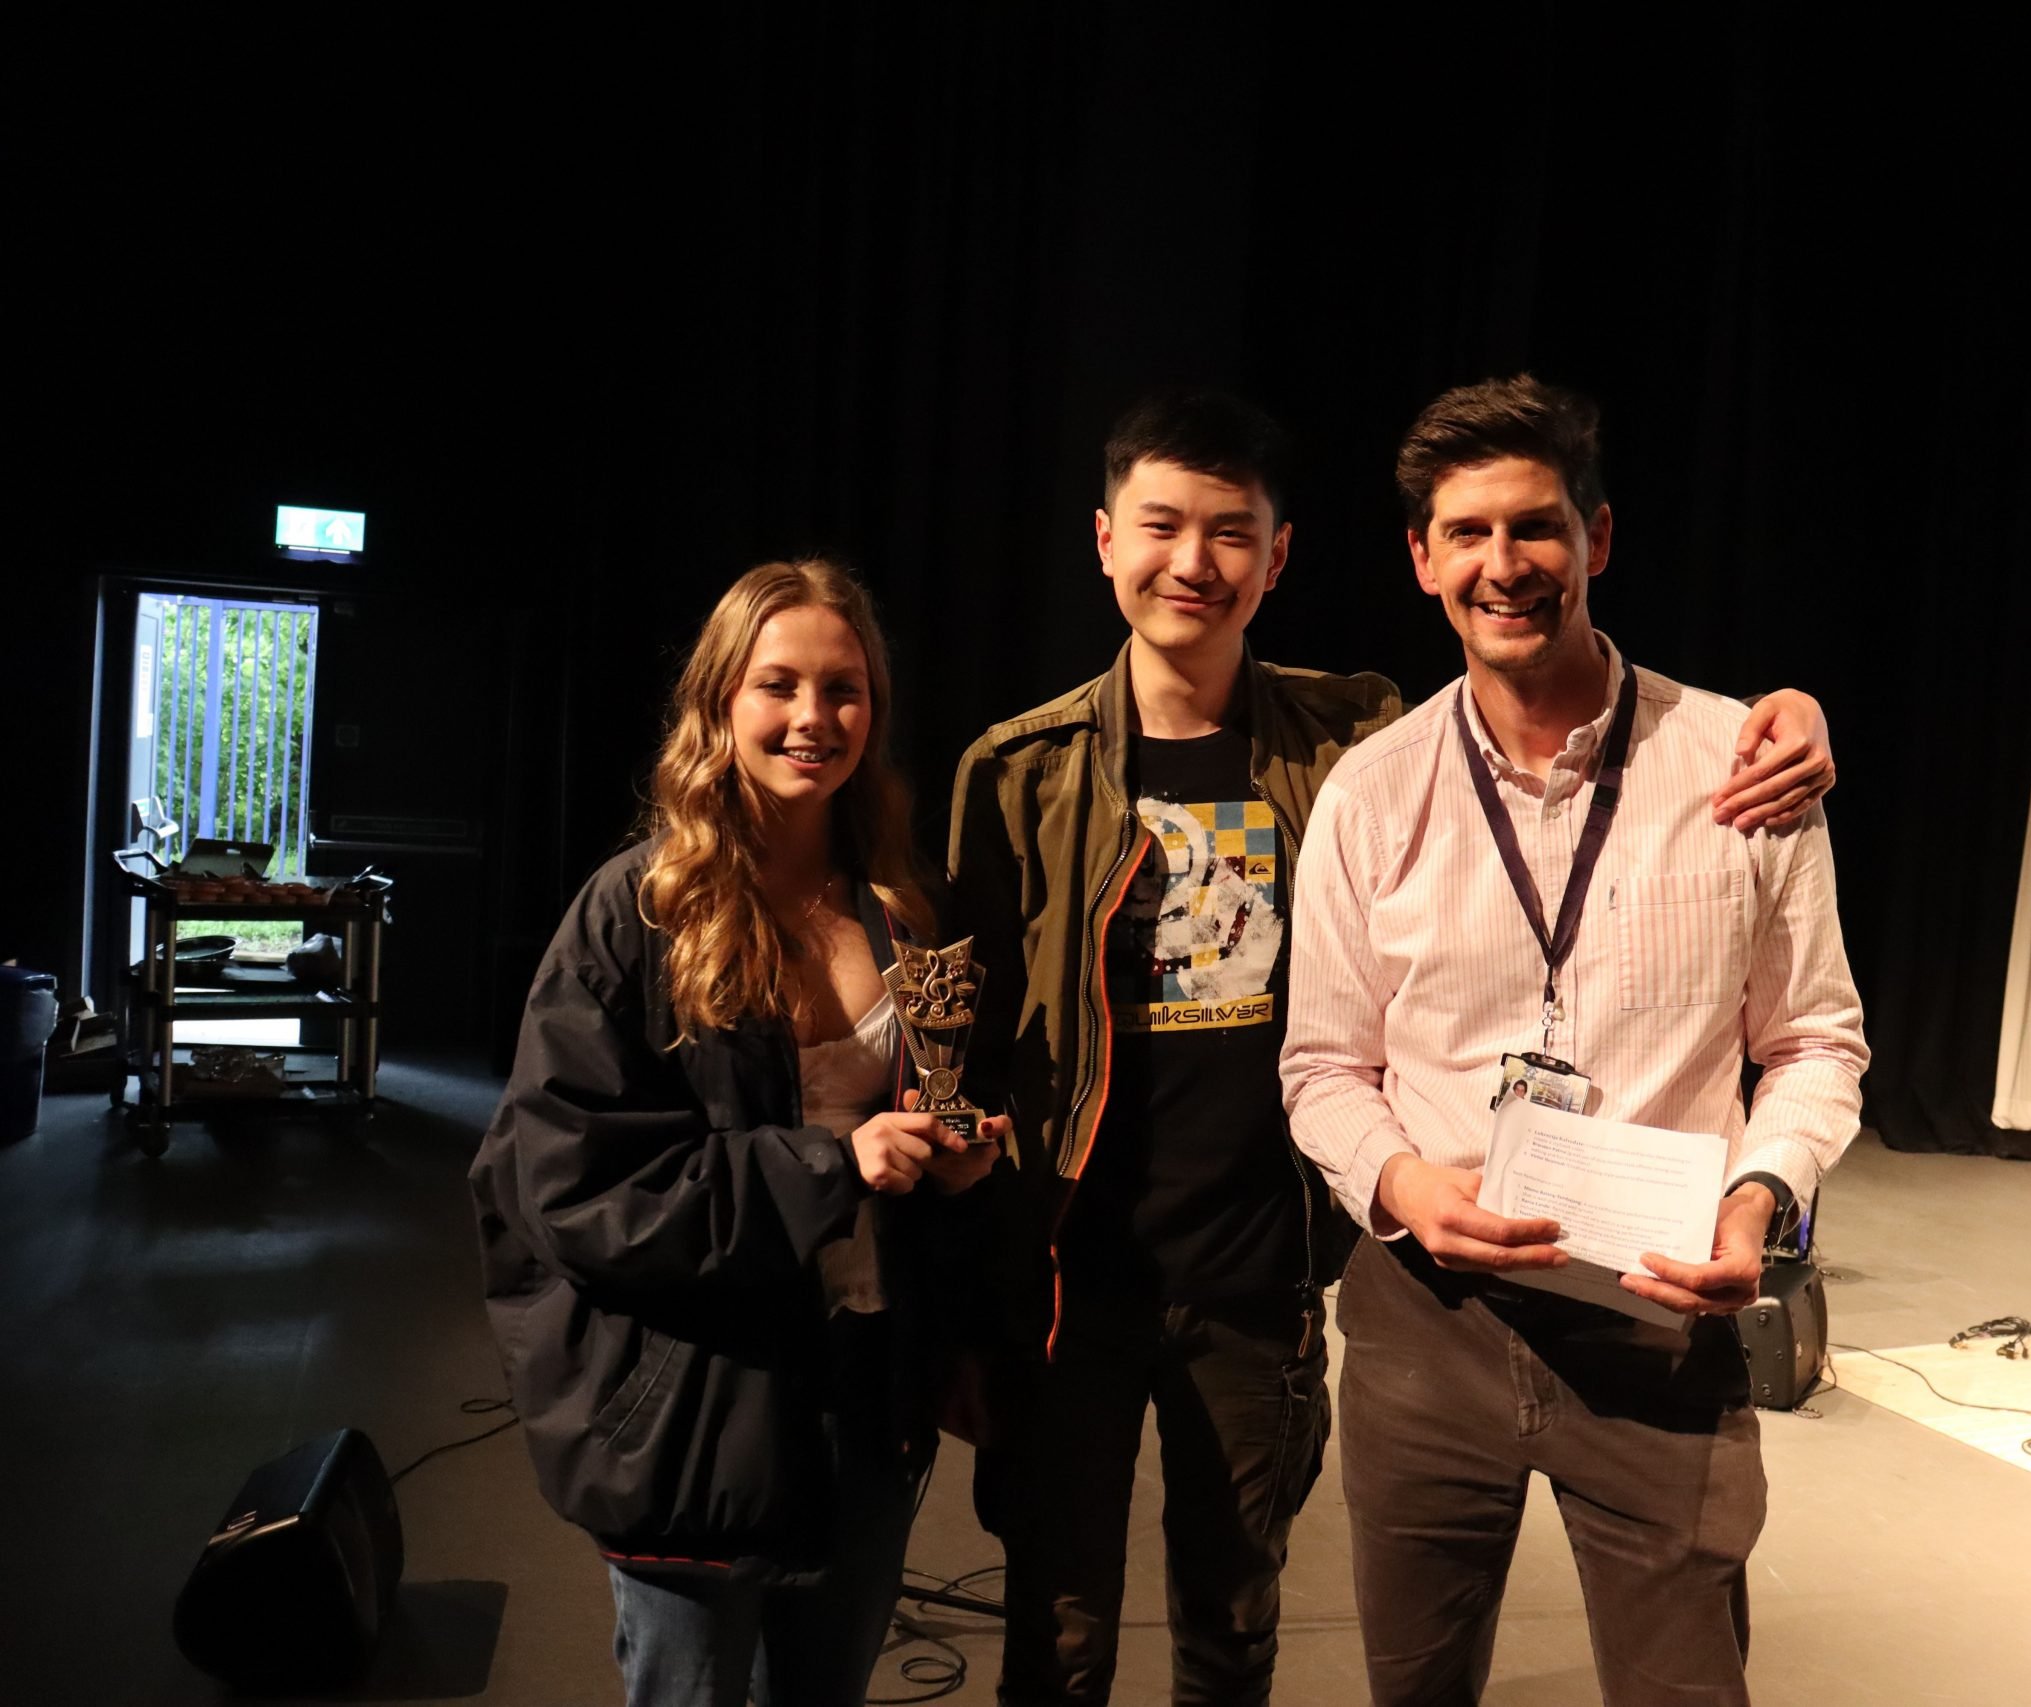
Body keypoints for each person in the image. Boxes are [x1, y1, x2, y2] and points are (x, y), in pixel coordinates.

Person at [946, 391, 1838, 1706]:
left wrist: (1794, 714)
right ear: (1101, 539)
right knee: (1063, 1630)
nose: (1193, 561)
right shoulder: (1026, 770)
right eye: (1160, 526)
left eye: (1230, 532)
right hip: (1095, 1273)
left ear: (1280, 554)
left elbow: (1804, 1019)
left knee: (1234, 1621)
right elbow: (972, 1036)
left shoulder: (1342, 741)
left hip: (1265, 1274)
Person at [1280, 376, 1870, 1707]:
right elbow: (1321, 1065)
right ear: (1424, 559)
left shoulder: (1741, 765)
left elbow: (1817, 1038)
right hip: (1428, 1321)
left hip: (1656, 1312)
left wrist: (1759, 1198)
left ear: (1596, 537)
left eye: (1536, 526)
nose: (1506, 564)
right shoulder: (1371, 793)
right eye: (1469, 533)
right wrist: (1397, 1180)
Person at [468, 560, 1002, 1707]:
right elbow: (570, 1189)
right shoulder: (636, 915)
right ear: (719, 703)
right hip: (697, 1408)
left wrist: (955, 1179)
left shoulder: (908, 906)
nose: (814, 718)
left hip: (865, 1396)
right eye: (779, 685)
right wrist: (833, 1161)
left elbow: (934, 1152)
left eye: (844, 689)